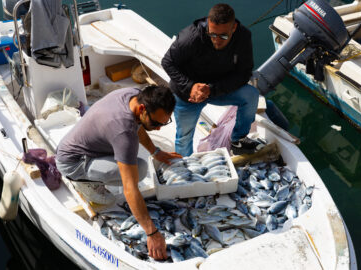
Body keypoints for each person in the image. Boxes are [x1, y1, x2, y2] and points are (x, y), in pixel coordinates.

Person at [56, 85, 181, 260]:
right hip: (73, 162)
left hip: (86, 144)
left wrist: (155, 151)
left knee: (139, 165)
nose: (159, 129)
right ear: (143, 109)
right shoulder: (123, 133)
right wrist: (152, 233)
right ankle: (83, 181)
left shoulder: (135, 95)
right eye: (155, 124)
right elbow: (130, 188)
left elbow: (139, 126)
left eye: (163, 123)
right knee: (140, 170)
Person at [161, 3, 263, 156]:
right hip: (188, 95)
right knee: (184, 137)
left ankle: (238, 140)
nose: (217, 40)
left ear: (234, 28)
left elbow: (244, 73)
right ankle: (186, 166)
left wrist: (212, 89)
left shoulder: (243, 37)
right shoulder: (191, 37)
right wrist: (191, 87)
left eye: (223, 36)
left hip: (218, 89)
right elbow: (167, 62)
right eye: (212, 34)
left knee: (251, 95)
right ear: (208, 26)